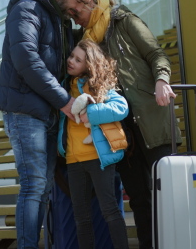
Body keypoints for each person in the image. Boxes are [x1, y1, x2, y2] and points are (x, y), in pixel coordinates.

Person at [0, 0, 96, 249]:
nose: (80, 8)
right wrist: (65, 101)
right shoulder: (27, 8)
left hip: (50, 112)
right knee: (34, 185)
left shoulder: (62, 21)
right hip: (26, 111)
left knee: (44, 188)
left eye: (86, 3)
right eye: (79, 1)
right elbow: (26, 58)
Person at [72, 0, 179, 249]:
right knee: (140, 200)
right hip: (120, 133)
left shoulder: (125, 21)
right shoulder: (87, 44)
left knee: (169, 196)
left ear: (91, 4)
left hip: (151, 121)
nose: (76, 22)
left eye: (78, 14)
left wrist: (162, 80)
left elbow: (156, 54)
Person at [57, 39, 130, 249]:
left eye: (77, 60)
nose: (71, 61)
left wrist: (88, 113)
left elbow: (120, 108)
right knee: (81, 217)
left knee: (110, 211)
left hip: (98, 158)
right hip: (73, 159)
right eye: (71, 56)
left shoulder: (96, 85)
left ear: (88, 65)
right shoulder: (63, 86)